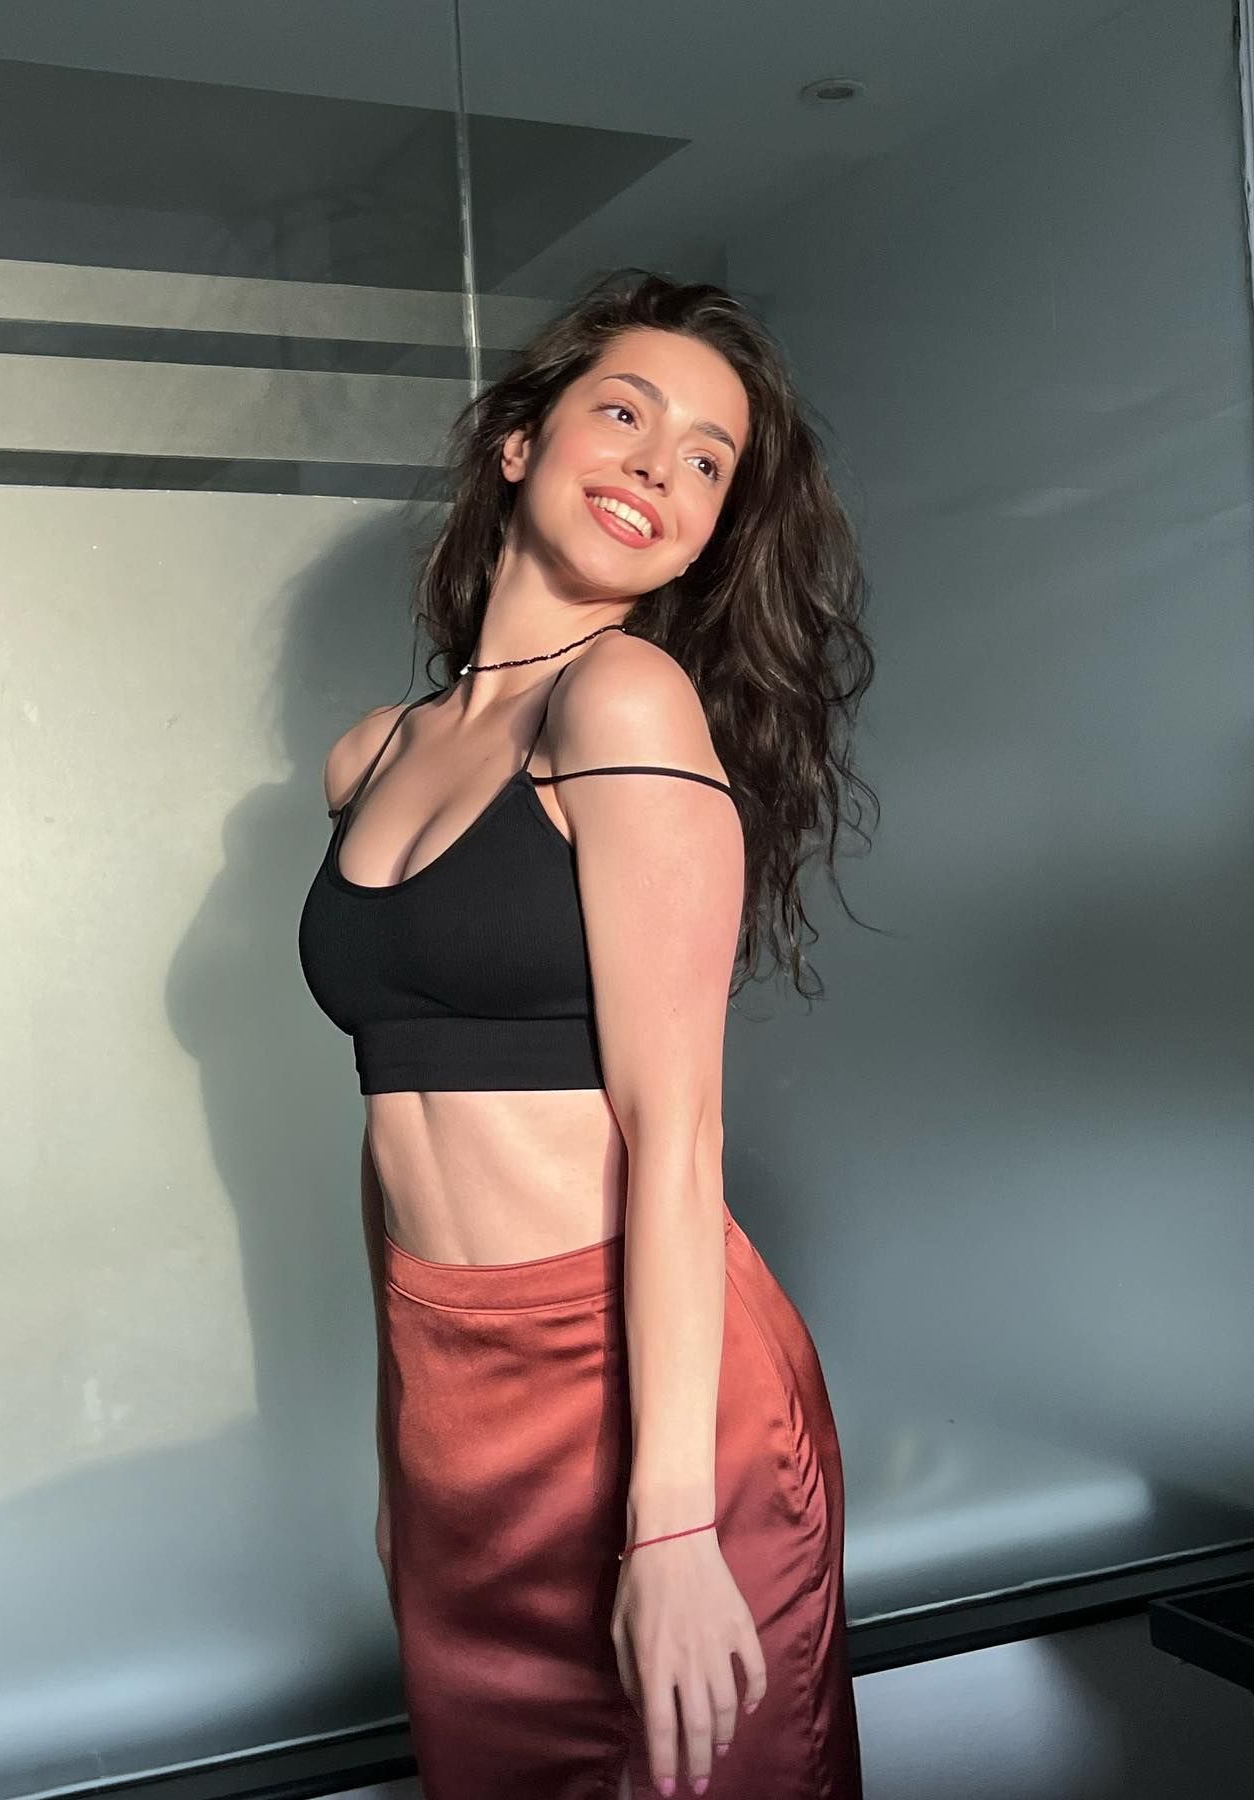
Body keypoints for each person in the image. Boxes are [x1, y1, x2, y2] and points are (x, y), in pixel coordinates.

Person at [298, 267, 874, 1800]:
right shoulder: (371, 756)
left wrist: (670, 1527)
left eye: (706, 461)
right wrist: (398, 1452)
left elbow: (679, 1131)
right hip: (455, 1408)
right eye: (625, 413)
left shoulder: (622, 698)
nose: (657, 467)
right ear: (520, 443)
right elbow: (392, 1134)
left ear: (711, 529)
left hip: (642, 1395)